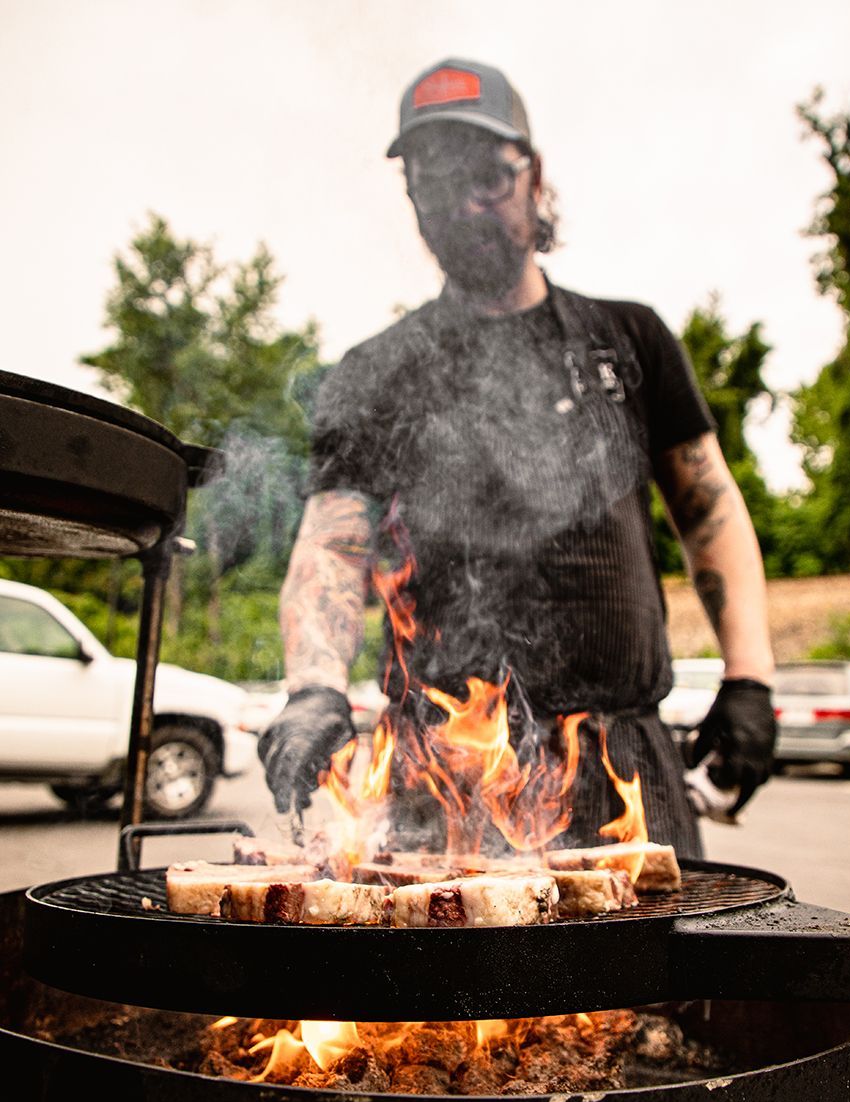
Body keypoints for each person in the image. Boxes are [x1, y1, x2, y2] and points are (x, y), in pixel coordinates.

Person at [258, 58, 777, 859]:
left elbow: (708, 511)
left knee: (650, 986)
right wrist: (313, 687)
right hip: (450, 776)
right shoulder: (377, 372)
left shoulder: (629, 340)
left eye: (487, 177)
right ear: (412, 202)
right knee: (452, 982)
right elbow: (332, 541)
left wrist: (751, 679)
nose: (463, 205)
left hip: (625, 773)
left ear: (533, 176)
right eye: (434, 185)